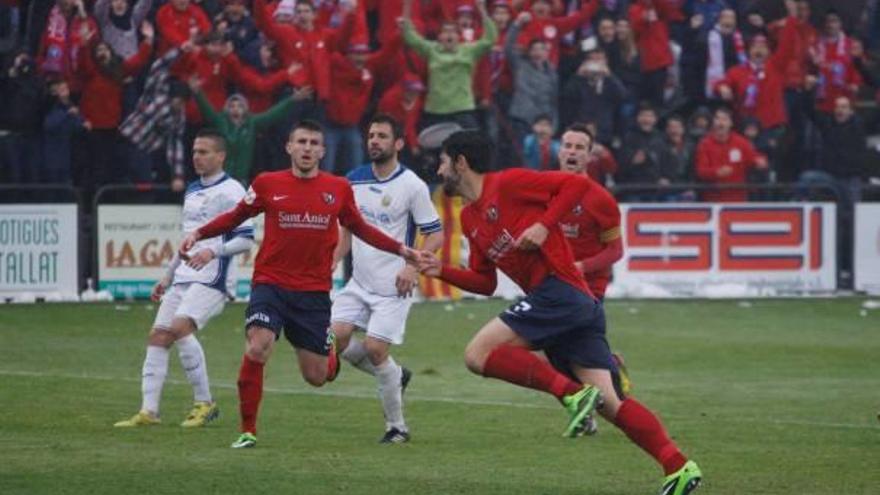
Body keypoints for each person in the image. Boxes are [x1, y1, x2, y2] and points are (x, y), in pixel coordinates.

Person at [419, 129, 702, 495]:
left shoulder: (509, 183)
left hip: (561, 292)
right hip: (566, 305)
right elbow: (484, 281)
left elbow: (575, 186)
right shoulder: (471, 218)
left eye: (443, 161)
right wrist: (438, 268)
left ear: (460, 162)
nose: (439, 171)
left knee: (477, 354)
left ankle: (570, 394)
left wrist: (543, 224)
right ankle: (678, 466)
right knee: (611, 404)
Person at [179, 119, 420, 449]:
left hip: (312, 293)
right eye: (301, 141)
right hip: (270, 285)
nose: (307, 148)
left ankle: (329, 349)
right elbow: (236, 216)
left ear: (322, 150)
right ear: (289, 147)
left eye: (313, 143)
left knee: (316, 377)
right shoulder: (267, 183)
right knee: (257, 345)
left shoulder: (337, 188)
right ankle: (247, 430)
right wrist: (199, 233)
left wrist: (399, 249)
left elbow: (361, 228)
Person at [114, 129, 255, 428]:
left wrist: (213, 252)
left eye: (204, 152)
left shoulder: (233, 191)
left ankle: (205, 403)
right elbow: (186, 240)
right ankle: (149, 411)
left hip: (212, 278)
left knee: (179, 328)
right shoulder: (192, 190)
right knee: (159, 335)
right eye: (194, 152)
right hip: (183, 275)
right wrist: (166, 277)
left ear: (221, 156)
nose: (197, 157)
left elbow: (246, 240)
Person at [330, 114, 444, 443]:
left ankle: (397, 428)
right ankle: (396, 376)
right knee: (334, 340)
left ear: (397, 144)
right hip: (359, 283)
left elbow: (434, 234)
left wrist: (412, 267)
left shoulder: (412, 185)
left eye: (381, 136)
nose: (374, 141)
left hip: (394, 286)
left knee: (375, 348)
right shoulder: (353, 180)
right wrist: (332, 262)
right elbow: (347, 229)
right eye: (370, 135)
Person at [399, 0, 496, 130]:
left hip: (462, 109)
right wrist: (407, 6)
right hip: (436, 111)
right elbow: (410, 37)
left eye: (453, 32)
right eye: (445, 32)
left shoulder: (469, 50)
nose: (449, 35)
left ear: (458, 36)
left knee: (468, 147)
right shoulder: (431, 50)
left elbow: (490, 39)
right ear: (439, 36)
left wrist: (482, 10)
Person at [695, 107, 767, 202]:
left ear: (730, 123)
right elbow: (701, 171)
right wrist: (716, 172)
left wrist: (760, 161)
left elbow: (754, 157)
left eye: (724, 119)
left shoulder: (741, 142)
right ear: (713, 122)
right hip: (713, 201)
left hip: (737, 200)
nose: (720, 123)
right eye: (717, 118)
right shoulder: (704, 144)